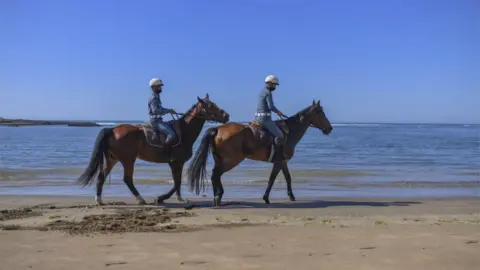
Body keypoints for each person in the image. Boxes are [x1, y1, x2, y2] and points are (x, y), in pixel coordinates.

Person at [254, 75, 287, 162]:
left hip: (257, 118)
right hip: (265, 119)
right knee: (280, 135)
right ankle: (275, 156)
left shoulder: (262, 91)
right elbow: (271, 107)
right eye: (274, 85)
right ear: (270, 84)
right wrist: (279, 112)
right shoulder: (268, 92)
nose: (275, 87)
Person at [148, 78, 177, 156]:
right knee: (171, 134)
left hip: (159, 120)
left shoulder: (157, 96)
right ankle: (165, 154)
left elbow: (160, 109)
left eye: (160, 86)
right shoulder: (154, 98)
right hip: (156, 122)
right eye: (158, 86)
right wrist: (168, 111)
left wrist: (169, 110)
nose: (160, 88)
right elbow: (155, 110)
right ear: (153, 87)